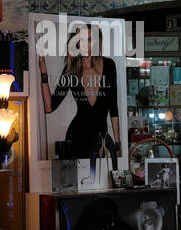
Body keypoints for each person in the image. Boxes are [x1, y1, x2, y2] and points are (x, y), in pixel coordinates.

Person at [38, 22, 121, 166]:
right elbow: (49, 107)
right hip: (76, 138)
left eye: (90, 39)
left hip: (100, 140)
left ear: (98, 42)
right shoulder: (71, 70)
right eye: (80, 40)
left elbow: (113, 108)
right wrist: (43, 71)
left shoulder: (109, 65)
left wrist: (118, 144)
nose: (84, 44)